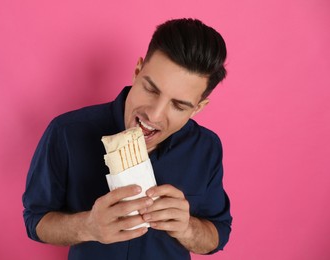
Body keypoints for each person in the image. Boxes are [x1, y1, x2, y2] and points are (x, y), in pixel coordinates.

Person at [22, 18, 232, 260]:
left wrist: (187, 228)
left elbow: (218, 233)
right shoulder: (67, 132)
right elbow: (35, 220)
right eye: (151, 89)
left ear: (197, 108)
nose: (154, 114)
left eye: (178, 105)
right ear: (137, 71)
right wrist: (87, 226)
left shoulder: (206, 148)